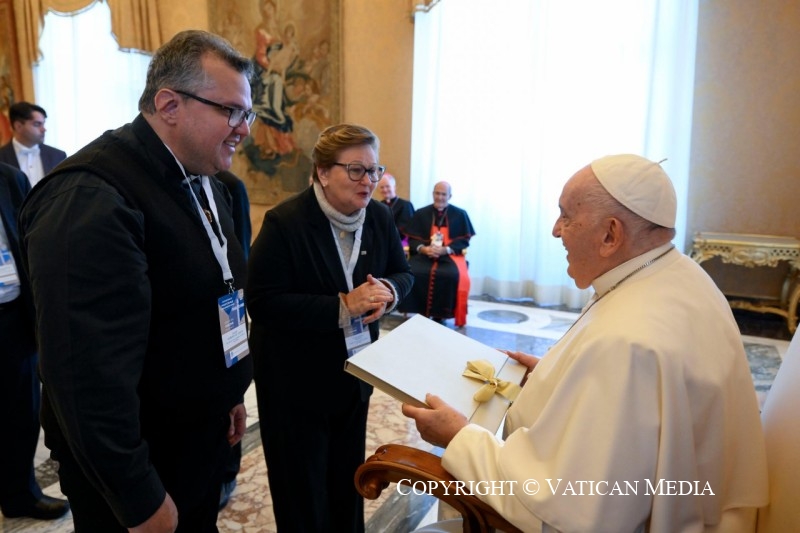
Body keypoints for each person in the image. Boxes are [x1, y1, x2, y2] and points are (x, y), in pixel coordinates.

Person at [402, 155, 769, 532]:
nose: (555, 230)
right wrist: (553, 377)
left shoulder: (626, 341)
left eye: (566, 216)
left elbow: (560, 508)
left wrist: (458, 437)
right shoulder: (680, 275)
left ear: (610, 235)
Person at [18, 30, 255, 532]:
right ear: (169, 105)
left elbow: (211, 295)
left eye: (247, 114)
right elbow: (84, 378)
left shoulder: (207, 181)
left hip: (198, 436)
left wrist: (227, 394)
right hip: (138, 466)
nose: (244, 130)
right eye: (231, 112)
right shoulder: (90, 198)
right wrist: (138, 497)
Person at [246, 123, 413, 532]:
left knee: (346, 481)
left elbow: (403, 272)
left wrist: (389, 291)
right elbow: (262, 303)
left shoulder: (378, 216)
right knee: (302, 490)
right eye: (356, 170)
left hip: (354, 373)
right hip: (294, 382)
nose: (368, 181)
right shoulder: (286, 222)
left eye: (373, 170)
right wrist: (342, 306)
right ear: (323, 172)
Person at [0, 162, 70, 521]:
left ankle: (19, 495)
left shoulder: (9, 178)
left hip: (11, 314)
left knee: (20, 413)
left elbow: (31, 239)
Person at [213, 170, 252, 511]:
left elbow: (239, 248)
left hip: (229, 307)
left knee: (231, 390)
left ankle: (228, 471)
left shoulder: (228, 186)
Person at [399, 181, 475, 326]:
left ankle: (441, 314)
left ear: (449, 196)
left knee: (451, 275)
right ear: (433, 194)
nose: (440, 197)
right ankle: (417, 310)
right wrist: (423, 248)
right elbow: (412, 240)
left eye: (443, 194)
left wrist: (446, 249)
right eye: (437, 193)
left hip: (449, 256)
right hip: (424, 255)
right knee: (412, 271)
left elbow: (464, 241)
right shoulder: (421, 213)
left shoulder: (460, 214)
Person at [0, 102, 66, 187]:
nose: (44, 129)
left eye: (43, 123)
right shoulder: (1, 157)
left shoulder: (58, 156)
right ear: (18, 126)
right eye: (37, 124)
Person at [376, 172, 415, 241]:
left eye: (387, 186)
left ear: (394, 187)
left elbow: (404, 229)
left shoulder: (405, 205)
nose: (384, 190)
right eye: (382, 187)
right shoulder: (378, 205)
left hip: (399, 242)